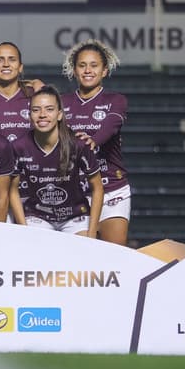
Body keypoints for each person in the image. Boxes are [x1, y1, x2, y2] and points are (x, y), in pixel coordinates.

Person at [60, 39, 130, 245]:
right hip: (75, 193)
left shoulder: (116, 100)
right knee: (78, 262)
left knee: (115, 256)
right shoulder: (62, 102)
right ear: (74, 70)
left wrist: (93, 140)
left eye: (94, 65)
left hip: (112, 189)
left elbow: (111, 125)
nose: (88, 70)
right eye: (82, 65)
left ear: (104, 71)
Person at [10, 86, 104, 237]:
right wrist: (24, 229)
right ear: (29, 115)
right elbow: (12, 190)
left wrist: (92, 233)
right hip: (38, 216)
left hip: (75, 216)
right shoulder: (18, 147)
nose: (42, 115)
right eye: (36, 110)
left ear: (59, 114)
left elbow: (98, 188)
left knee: (81, 255)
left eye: (49, 109)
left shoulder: (78, 145)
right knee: (37, 253)